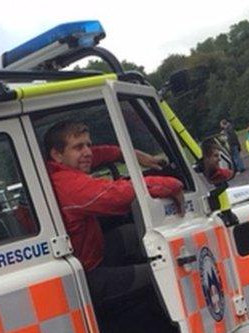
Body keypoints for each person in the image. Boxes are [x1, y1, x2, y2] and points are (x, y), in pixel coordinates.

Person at [43, 120, 183, 305]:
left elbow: (98, 154)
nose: (87, 152)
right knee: (165, 270)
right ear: (57, 155)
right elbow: (117, 194)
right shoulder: (67, 184)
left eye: (88, 145)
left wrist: (130, 154)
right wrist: (171, 184)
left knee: (132, 233)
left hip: (89, 254)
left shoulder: (52, 171)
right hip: (85, 275)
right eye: (78, 147)